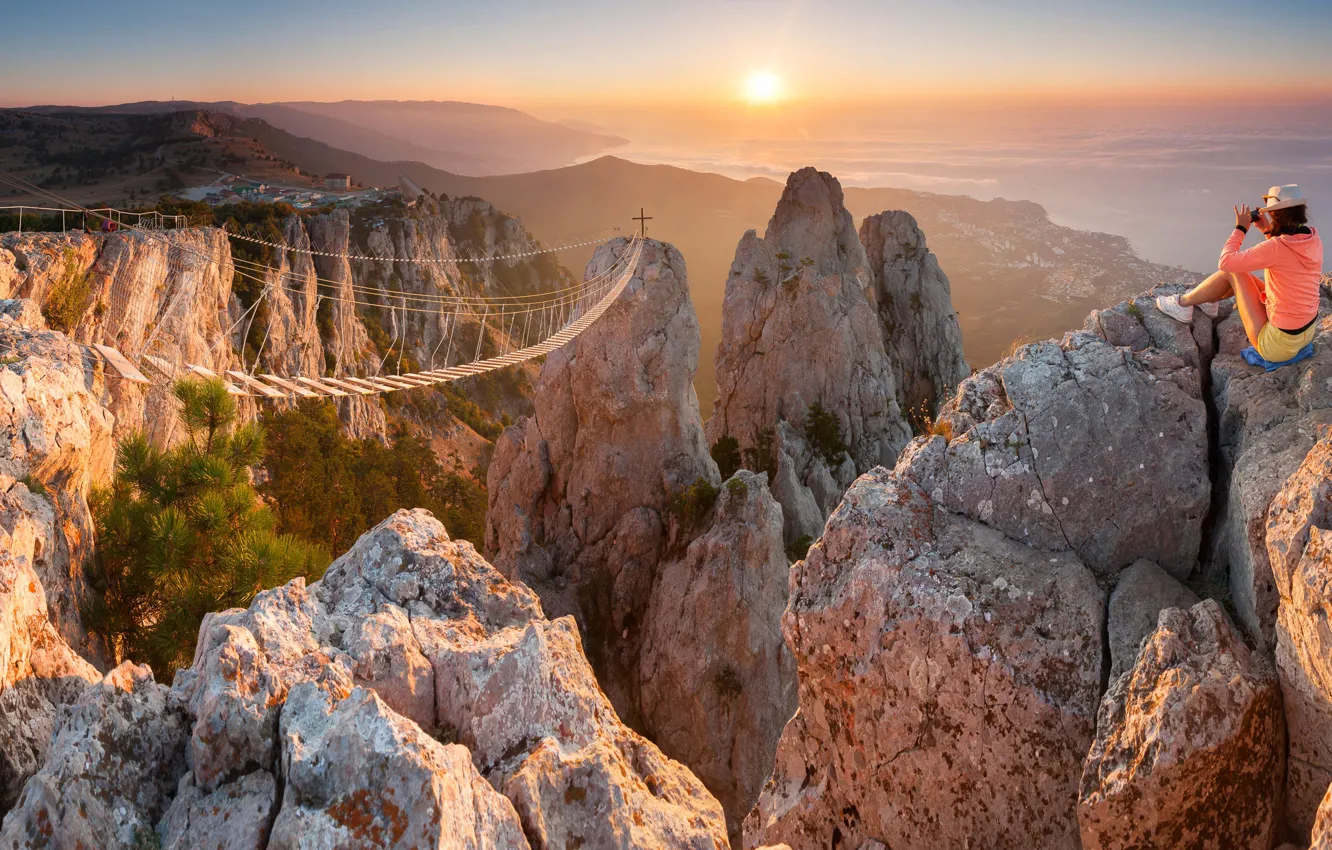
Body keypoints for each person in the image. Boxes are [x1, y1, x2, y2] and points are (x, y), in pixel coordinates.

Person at [1156, 184, 1323, 363]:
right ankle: (1209, 300)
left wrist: (1240, 229)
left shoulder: (1277, 247)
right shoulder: (1312, 238)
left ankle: (1182, 304)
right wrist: (1267, 231)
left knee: (1233, 273)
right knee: (1245, 275)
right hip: (1305, 333)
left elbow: (1226, 262)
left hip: (1277, 347)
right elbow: (1285, 258)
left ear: (1276, 215)